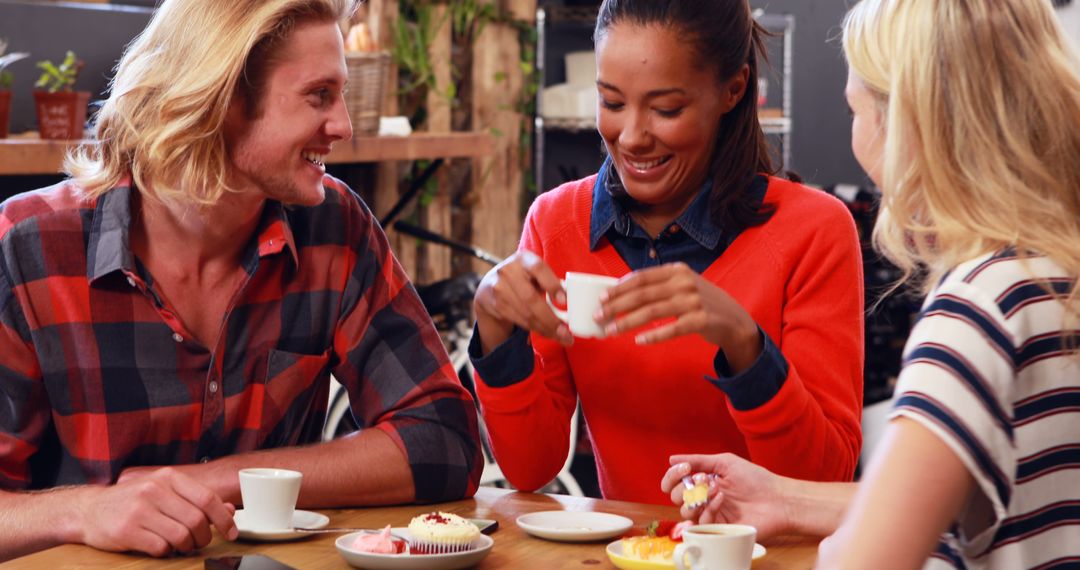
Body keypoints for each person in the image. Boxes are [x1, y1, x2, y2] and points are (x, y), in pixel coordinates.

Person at [0, 0, 482, 561]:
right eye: (319, 95)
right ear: (223, 98)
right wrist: (83, 510)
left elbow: (444, 439)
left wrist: (214, 482)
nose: (344, 126)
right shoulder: (29, 246)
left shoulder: (333, 226)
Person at [661, 0, 1080, 567]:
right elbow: (972, 503)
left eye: (855, 110)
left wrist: (835, 550)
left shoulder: (979, 307)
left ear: (909, 123)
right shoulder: (1052, 275)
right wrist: (783, 496)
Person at [470, 0, 864, 505]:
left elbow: (824, 482)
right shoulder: (556, 223)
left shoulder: (814, 231)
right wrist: (496, 333)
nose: (631, 137)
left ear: (733, 90)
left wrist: (745, 344)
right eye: (612, 103)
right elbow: (530, 468)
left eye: (666, 109)